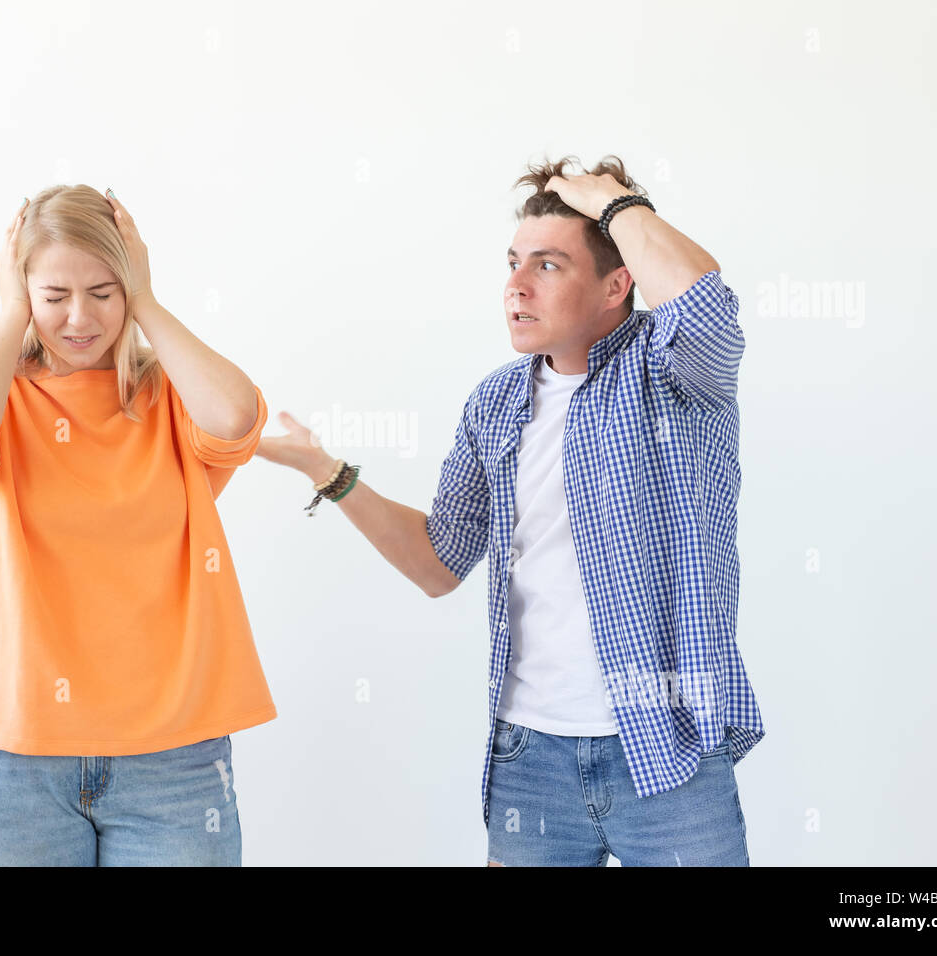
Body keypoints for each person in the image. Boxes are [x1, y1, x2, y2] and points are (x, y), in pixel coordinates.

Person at [255, 155, 766, 866]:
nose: (516, 287)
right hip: (531, 756)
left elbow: (705, 305)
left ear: (619, 283)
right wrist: (328, 472)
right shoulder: (494, 404)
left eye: (549, 266)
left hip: (667, 745)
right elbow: (438, 564)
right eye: (514, 263)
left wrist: (612, 201)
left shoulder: (671, 371)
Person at [0, 185, 273, 866]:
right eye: (54, 296)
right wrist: (14, 309)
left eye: (104, 292)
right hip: (6, 759)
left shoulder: (171, 398)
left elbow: (237, 421)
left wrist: (150, 304)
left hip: (171, 760)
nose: (80, 317)